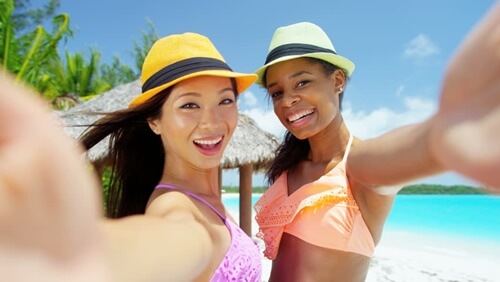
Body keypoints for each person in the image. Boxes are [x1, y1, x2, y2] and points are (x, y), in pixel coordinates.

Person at [253, 2, 500, 282]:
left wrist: (441, 134)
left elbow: (387, 159)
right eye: (276, 92)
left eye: (302, 83)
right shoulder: (289, 165)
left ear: (337, 81)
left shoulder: (358, 166)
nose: (287, 101)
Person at [0, 32, 262, 282]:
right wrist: (66, 253)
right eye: (189, 105)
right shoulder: (172, 207)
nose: (211, 122)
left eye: (225, 101)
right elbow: (165, 243)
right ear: (154, 121)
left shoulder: (208, 199)